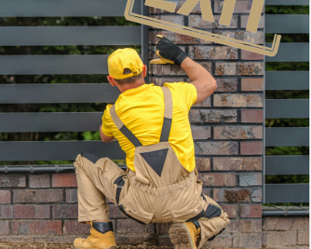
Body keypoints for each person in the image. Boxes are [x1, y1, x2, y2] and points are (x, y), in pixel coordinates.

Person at [72, 36, 229, 249]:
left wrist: (113, 116)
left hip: (139, 206)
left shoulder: (113, 113)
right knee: (219, 217)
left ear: (111, 80)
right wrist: (179, 57)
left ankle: (101, 236)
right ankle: (194, 228)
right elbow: (209, 83)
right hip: (186, 203)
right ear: (144, 71)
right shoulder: (175, 94)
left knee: (83, 161)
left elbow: (104, 137)